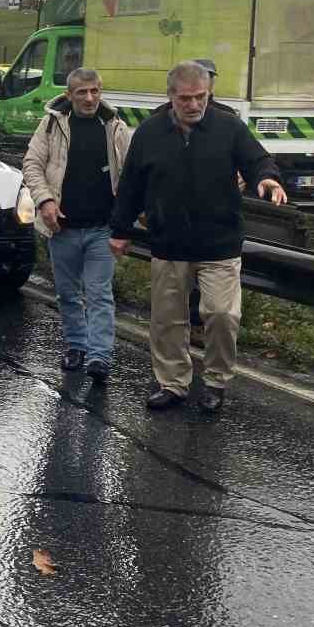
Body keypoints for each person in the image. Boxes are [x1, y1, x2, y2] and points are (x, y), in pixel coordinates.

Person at [111, 61, 287, 413]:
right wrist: (119, 230)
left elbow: (256, 159)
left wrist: (266, 178)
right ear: (171, 96)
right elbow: (131, 185)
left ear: (209, 94)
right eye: (185, 98)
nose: (194, 105)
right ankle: (173, 383)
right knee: (167, 319)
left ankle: (216, 381)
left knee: (221, 314)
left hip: (219, 242)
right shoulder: (148, 133)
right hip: (169, 242)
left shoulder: (228, 128)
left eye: (200, 97)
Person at [21, 67, 131, 382]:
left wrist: (126, 222)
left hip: (102, 228)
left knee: (99, 293)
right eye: (82, 92)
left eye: (95, 91)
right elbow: (32, 164)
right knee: (68, 293)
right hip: (63, 228)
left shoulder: (114, 127)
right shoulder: (52, 125)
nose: (89, 98)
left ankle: (99, 356)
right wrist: (45, 201)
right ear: (70, 95)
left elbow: (131, 174)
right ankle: (76, 346)